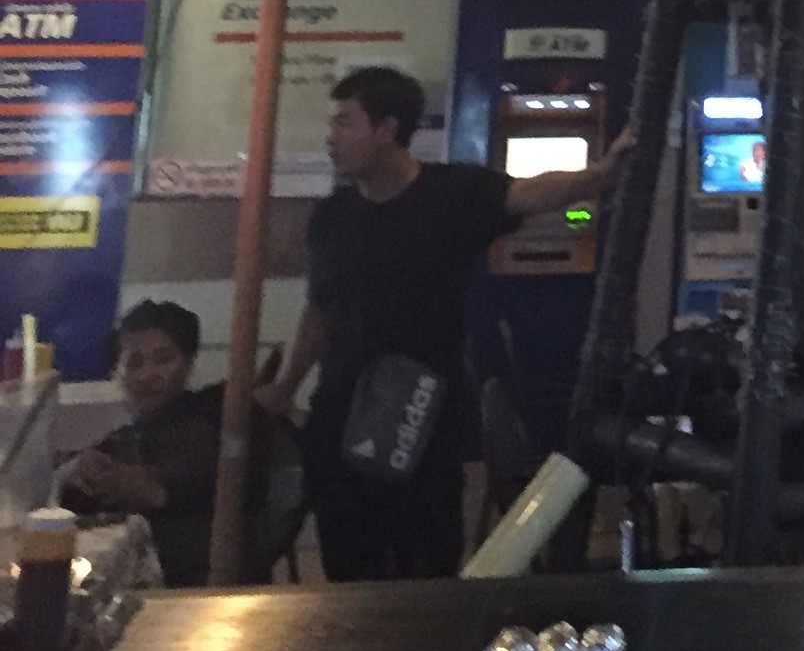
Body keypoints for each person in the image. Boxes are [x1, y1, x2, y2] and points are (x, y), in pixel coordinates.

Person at [256, 67, 628, 581]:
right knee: (347, 566)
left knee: (427, 565)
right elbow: (319, 310)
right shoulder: (332, 217)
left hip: (424, 418)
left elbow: (531, 192)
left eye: (345, 122)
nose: (331, 137)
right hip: (341, 418)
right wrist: (286, 386)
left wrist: (602, 173)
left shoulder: (453, 194)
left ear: (387, 129)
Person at [59, 301, 220, 584]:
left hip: (195, 584)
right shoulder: (119, 440)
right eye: (134, 363)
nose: (148, 375)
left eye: (164, 359)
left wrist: (150, 485)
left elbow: (179, 482)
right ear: (117, 373)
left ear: (188, 362)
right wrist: (76, 474)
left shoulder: (210, 420)